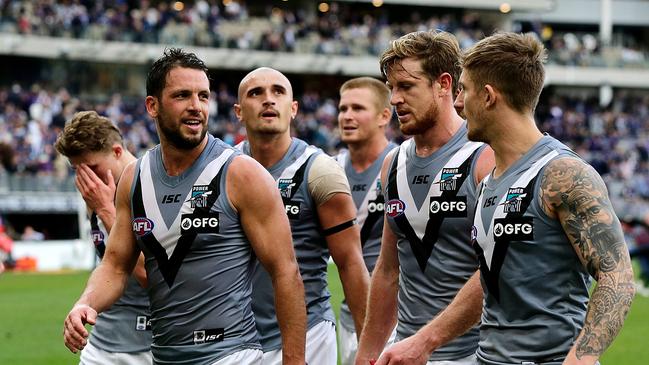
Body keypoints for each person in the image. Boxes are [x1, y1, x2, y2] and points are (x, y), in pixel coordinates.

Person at [63, 48, 307, 365]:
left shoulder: (242, 174)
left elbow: (286, 272)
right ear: (153, 105)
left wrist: (294, 361)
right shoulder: (134, 179)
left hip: (232, 355)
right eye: (182, 96)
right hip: (164, 356)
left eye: (203, 96)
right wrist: (87, 303)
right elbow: (116, 266)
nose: (196, 107)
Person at [441, 31, 634, 364]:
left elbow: (617, 277)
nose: (457, 104)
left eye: (464, 91)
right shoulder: (487, 180)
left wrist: (581, 359)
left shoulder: (563, 175)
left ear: (488, 96)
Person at [355, 30, 495, 365]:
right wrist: (366, 353)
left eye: (406, 86)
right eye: (391, 88)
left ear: (444, 84)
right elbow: (389, 269)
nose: (394, 99)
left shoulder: (484, 157)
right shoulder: (393, 163)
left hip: (472, 354)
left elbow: (494, 269)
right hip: (407, 353)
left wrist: (428, 341)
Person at [234, 67, 370, 365]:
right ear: (239, 112)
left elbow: (349, 263)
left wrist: (368, 348)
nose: (268, 100)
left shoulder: (320, 170)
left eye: (278, 92)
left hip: (309, 333)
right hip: (238, 336)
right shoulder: (223, 169)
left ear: (293, 108)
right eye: (256, 93)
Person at [55, 110, 153, 364]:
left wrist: (107, 209)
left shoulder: (151, 187)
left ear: (117, 152)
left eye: (92, 168)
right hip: (101, 343)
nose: (85, 179)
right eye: (77, 170)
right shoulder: (97, 191)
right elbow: (109, 264)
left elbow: (151, 275)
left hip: (149, 346)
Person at [335, 76, 398, 365]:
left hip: (397, 316)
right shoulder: (329, 168)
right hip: (348, 316)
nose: (347, 116)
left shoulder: (402, 164)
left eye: (357, 108)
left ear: (384, 116)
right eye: (342, 108)